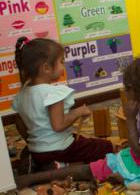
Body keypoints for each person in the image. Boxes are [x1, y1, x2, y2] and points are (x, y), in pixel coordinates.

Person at [15, 58, 140, 195]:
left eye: (126, 88)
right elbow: (139, 149)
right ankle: (31, 179)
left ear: (133, 90)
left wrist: (130, 120)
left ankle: (132, 181)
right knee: (91, 169)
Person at [12, 38, 112, 174]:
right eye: (61, 62)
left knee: (81, 140)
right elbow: (58, 125)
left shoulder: (22, 95)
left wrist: (34, 141)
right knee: (105, 147)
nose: (63, 67)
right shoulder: (53, 93)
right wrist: (79, 111)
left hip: (37, 150)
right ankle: (62, 166)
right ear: (46, 68)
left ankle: (46, 164)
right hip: (60, 148)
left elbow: (19, 123)